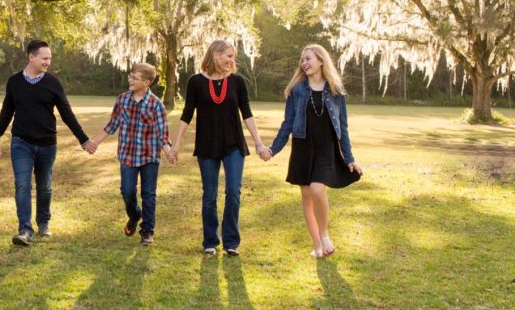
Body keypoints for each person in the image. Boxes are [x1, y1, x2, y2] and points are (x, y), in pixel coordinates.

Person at [0, 39, 97, 246]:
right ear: (32, 57)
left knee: (45, 187)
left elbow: (67, 113)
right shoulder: (14, 82)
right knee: (22, 185)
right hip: (21, 143)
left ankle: (43, 223)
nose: (48, 62)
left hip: (47, 144)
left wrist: (83, 139)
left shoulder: (53, 83)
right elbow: (7, 111)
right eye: (45, 58)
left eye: (50, 58)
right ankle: (25, 230)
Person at [261, 44, 364, 258]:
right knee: (307, 197)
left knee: (317, 190)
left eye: (308, 59)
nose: (304, 63)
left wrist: (350, 158)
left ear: (321, 61)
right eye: (302, 60)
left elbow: (343, 127)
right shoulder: (296, 91)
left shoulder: (336, 90)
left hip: (326, 148)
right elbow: (287, 124)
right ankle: (317, 245)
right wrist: (273, 149)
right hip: (302, 147)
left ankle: (324, 235)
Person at [168, 40, 267, 256]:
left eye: (233, 57)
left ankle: (231, 241)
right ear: (215, 55)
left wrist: (258, 142)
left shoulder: (238, 82)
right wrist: (176, 145)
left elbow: (247, 113)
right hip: (207, 146)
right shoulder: (195, 82)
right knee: (210, 194)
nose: (232, 61)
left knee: (233, 191)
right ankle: (210, 241)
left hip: (233, 145)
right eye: (229, 56)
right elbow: (187, 114)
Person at [90, 63, 171, 246]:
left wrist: (168, 152)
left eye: (135, 78)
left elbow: (162, 134)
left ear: (147, 82)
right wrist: (95, 142)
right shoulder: (122, 100)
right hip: (127, 155)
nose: (130, 80)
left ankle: (147, 232)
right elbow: (112, 126)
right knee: (126, 191)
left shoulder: (156, 104)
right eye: (130, 76)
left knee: (149, 194)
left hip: (149, 155)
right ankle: (135, 215)